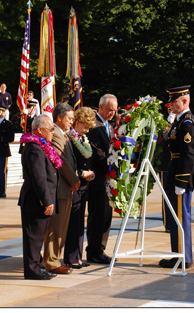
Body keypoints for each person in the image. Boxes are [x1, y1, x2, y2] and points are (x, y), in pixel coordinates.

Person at [159, 85, 194, 269]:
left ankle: (182, 257)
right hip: (176, 173)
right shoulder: (179, 120)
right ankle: (179, 255)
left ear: (185, 100)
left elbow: (188, 154)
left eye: (173, 101)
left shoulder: (187, 123)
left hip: (180, 176)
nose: (170, 104)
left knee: (180, 219)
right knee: (177, 218)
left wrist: (181, 182)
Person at [18, 115, 63, 280]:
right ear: (39, 130)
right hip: (35, 200)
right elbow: (39, 178)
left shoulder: (41, 146)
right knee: (33, 238)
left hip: (41, 199)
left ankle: (39, 267)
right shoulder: (34, 148)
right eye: (50, 129)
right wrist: (47, 201)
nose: (52, 132)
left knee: (38, 236)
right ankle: (32, 271)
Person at [43, 103, 80, 274]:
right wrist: (74, 180)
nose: (72, 122)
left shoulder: (62, 133)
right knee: (56, 227)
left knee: (61, 227)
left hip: (65, 188)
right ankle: (51, 261)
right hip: (60, 188)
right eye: (70, 118)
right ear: (59, 117)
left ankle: (54, 258)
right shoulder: (56, 134)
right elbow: (61, 161)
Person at [86, 94, 118, 264]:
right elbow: (97, 153)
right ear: (101, 107)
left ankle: (101, 249)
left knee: (106, 216)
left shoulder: (109, 126)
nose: (113, 113)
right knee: (97, 216)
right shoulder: (94, 126)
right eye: (110, 109)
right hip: (98, 179)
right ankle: (93, 250)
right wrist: (114, 166)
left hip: (108, 180)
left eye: (115, 110)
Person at [64, 107, 96, 268]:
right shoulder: (69, 139)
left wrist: (90, 173)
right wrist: (83, 173)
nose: (87, 130)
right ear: (77, 123)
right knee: (73, 222)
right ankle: (70, 257)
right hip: (74, 184)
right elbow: (69, 164)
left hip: (83, 184)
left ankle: (78, 256)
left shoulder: (82, 138)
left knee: (79, 222)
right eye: (85, 127)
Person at [158, 103, 176, 232]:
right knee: (167, 195)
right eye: (170, 109)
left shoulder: (182, 123)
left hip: (178, 165)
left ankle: (177, 222)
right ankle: (169, 224)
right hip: (166, 164)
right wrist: (168, 124)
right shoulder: (164, 124)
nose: (171, 110)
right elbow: (163, 138)